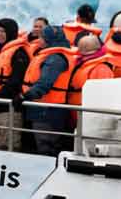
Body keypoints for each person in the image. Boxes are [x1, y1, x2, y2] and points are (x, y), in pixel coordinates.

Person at [17, 25, 78, 156]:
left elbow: (44, 84)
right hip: (43, 109)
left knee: (47, 147)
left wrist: (24, 96)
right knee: (43, 145)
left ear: (49, 39)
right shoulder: (53, 55)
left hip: (47, 111)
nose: (39, 40)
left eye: (42, 37)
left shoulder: (55, 59)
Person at [0, 18, 32, 150]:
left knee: (10, 144)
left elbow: (16, 80)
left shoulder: (19, 53)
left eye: (3, 31)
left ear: (11, 32)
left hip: (9, 106)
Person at [66, 35, 115, 105]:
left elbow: (102, 94)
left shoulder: (100, 68)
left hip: (84, 107)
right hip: (80, 106)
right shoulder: (82, 63)